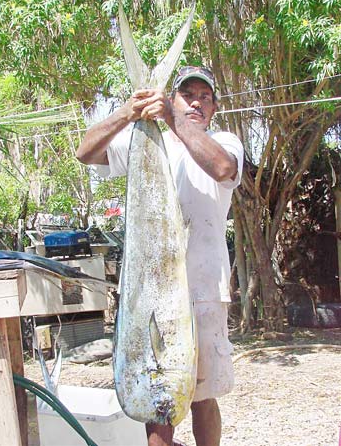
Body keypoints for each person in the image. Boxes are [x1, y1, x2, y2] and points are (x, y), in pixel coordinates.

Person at [76, 66, 244, 446]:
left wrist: (170, 116)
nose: (197, 102)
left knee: (203, 396)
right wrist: (128, 112)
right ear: (175, 98)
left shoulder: (224, 142)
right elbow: (85, 152)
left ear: (214, 107)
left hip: (202, 289)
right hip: (148, 294)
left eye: (205, 96)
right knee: (156, 399)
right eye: (188, 95)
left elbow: (222, 168)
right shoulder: (148, 142)